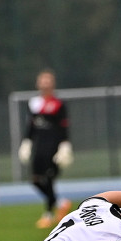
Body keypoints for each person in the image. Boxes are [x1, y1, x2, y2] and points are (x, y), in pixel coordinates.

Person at [19, 69, 74, 229]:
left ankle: (48, 215)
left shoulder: (58, 104)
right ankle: (61, 203)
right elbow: (31, 126)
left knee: (49, 178)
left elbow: (64, 127)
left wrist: (64, 145)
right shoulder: (34, 103)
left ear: (53, 83)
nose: (45, 83)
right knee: (36, 180)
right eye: (42, 80)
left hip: (53, 146)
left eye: (48, 80)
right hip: (39, 146)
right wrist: (26, 142)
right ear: (38, 83)